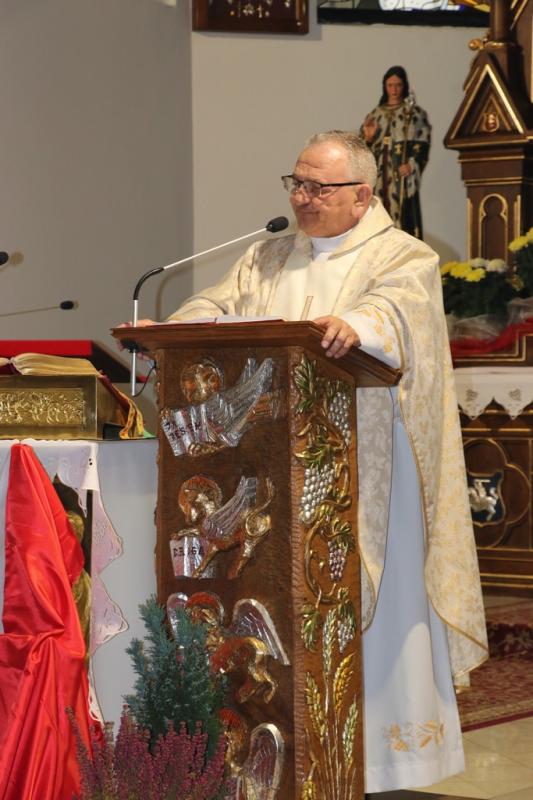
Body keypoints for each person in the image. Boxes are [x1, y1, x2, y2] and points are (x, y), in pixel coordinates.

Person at [134, 130, 487, 794]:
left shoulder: (402, 255)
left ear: (363, 195)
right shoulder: (267, 256)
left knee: (370, 607)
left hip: (366, 466)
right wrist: (177, 329)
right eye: (295, 183)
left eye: (318, 187)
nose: (301, 197)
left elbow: (395, 312)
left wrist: (358, 326)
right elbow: (216, 305)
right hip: (268, 469)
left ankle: (380, 761)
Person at [361, 66, 431, 239]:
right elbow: (362, 150)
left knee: (402, 212)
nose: (394, 90)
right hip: (380, 173)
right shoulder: (376, 114)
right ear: (385, 87)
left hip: (400, 175)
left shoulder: (412, 114)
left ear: (404, 86)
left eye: (398, 85)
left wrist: (412, 164)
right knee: (378, 210)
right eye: (390, 85)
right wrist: (368, 138)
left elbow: (422, 143)